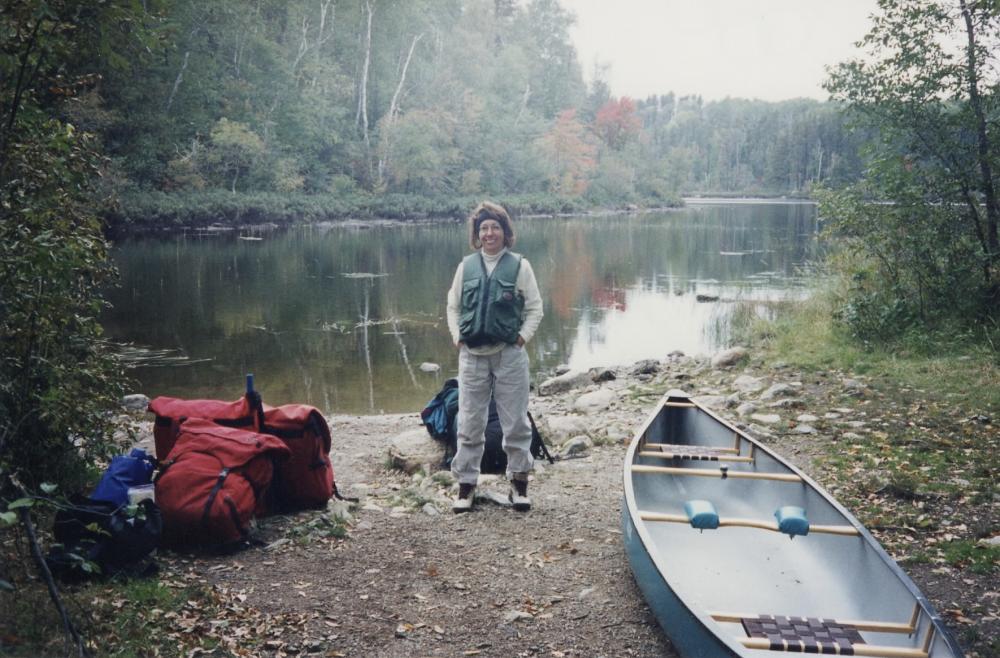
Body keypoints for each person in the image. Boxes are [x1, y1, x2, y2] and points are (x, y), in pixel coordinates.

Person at [445, 201, 543, 513]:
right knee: (470, 422)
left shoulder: (520, 266)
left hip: (509, 355)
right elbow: (453, 307)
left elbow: (535, 308)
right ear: (477, 233)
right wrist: (457, 337)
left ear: (505, 232)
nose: (490, 233)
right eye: (484, 228)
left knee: (515, 423)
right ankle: (466, 486)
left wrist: (521, 337)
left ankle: (519, 484)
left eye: (495, 227)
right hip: (472, 356)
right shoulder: (466, 267)